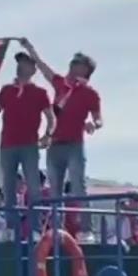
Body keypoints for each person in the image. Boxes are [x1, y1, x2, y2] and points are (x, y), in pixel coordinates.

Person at [0, 51, 55, 235]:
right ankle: (11, 227)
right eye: (19, 62)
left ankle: (34, 228)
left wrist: (48, 134)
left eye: (26, 63)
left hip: (29, 145)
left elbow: (51, 117)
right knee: (9, 187)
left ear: (33, 69)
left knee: (33, 187)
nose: (21, 66)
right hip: (8, 145)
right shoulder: (7, 90)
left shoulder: (40, 93)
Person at [18, 38, 101, 205]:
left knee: (78, 186)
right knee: (55, 191)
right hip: (54, 144)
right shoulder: (60, 84)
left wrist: (94, 124)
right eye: (73, 61)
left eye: (77, 62)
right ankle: (57, 228)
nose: (72, 64)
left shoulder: (90, 93)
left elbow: (98, 117)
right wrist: (29, 48)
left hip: (74, 145)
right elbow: (41, 66)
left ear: (85, 69)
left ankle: (86, 229)